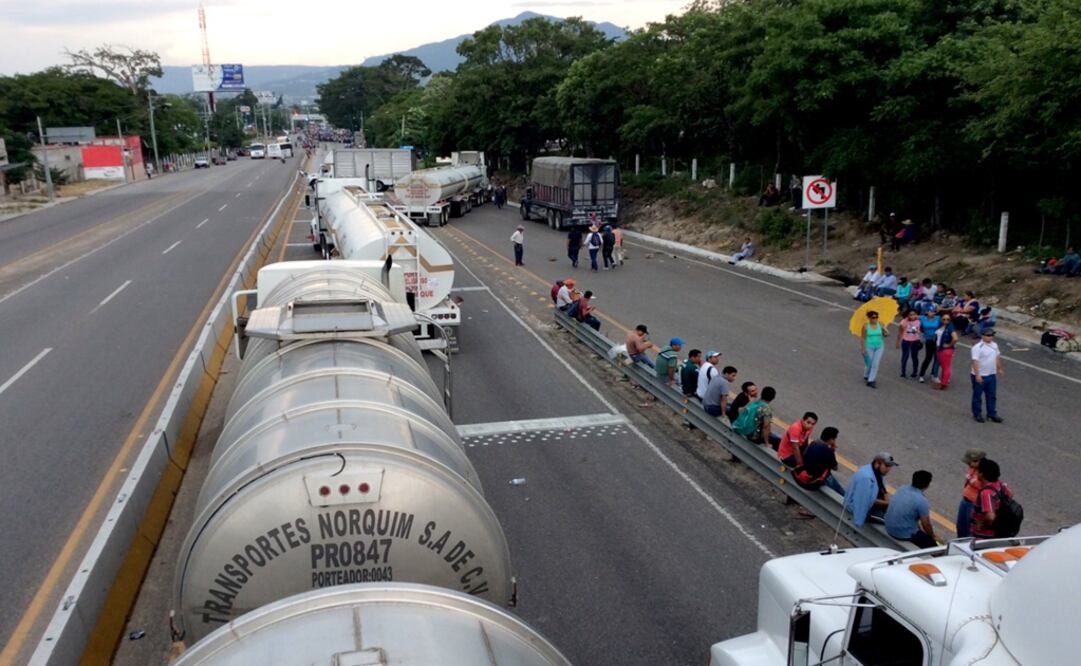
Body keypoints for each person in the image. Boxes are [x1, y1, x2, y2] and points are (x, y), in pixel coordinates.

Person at [885, 470, 938, 548]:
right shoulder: (921, 500)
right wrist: (932, 536)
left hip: (888, 527)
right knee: (933, 546)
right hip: (902, 534)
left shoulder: (902, 488)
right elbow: (926, 524)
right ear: (927, 485)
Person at [843, 452, 898, 527]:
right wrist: (859, 521)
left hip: (873, 505)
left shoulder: (879, 474)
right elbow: (864, 502)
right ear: (878, 463)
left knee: (897, 514)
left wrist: (888, 504)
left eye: (890, 466)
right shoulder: (866, 478)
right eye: (886, 465)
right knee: (893, 523)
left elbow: (883, 491)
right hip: (859, 508)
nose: (888, 469)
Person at [794, 427, 845, 495]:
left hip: (801, 477)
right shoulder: (828, 451)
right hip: (812, 483)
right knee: (831, 479)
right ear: (831, 439)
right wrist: (832, 449)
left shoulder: (813, 443)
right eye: (835, 439)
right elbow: (835, 468)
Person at [971, 458, 1013, 538]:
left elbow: (990, 517)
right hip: (998, 532)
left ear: (981, 474)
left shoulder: (986, 493)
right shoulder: (1000, 485)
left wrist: (982, 524)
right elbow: (1010, 494)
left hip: (984, 536)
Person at [970, 328, 1004, 423]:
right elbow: (975, 362)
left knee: (992, 395)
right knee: (977, 396)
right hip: (981, 375)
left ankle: (991, 414)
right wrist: (977, 375)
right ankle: (977, 414)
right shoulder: (977, 347)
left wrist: (999, 368)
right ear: (983, 336)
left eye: (992, 335)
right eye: (988, 335)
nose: (990, 337)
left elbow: (997, 357)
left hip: (991, 374)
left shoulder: (994, 345)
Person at [956, 449, 985, 538]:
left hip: (974, 504)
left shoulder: (984, 473)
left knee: (969, 530)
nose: (968, 465)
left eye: (970, 463)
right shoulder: (972, 468)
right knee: (961, 527)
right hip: (966, 500)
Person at [860, 310, 888, 388]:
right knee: (869, 363)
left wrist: (886, 333)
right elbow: (862, 337)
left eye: (876, 317)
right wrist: (863, 348)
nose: (875, 319)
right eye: (873, 317)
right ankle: (866, 374)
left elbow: (884, 334)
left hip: (879, 346)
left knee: (875, 363)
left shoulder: (881, 324)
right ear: (869, 318)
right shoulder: (865, 326)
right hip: (869, 346)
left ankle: (871, 380)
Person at [932, 313, 958, 390]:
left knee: (946, 367)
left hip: (945, 350)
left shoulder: (950, 327)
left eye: (948, 319)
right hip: (940, 348)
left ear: (950, 320)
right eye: (944, 319)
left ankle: (944, 384)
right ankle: (943, 381)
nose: (945, 321)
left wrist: (949, 345)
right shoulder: (941, 326)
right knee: (944, 366)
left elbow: (955, 338)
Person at [896, 309, 923, 378]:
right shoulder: (904, 322)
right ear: (907, 315)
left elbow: (919, 330)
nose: (913, 316)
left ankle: (915, 372)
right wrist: (898, 342)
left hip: (915, 341)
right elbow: (900, 332)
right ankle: (903, 371)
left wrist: (918, 332)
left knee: (914, 357)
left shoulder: (918, 322)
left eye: (914, 314)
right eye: (911, 315)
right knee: (905, 356)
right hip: (906, 341)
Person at [917, 303, 940, 383]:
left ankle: (934, 374)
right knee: (928, 358)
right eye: (930, 311)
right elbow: (910, 317)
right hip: (928, 340)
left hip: (937, 340)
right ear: (926, 311)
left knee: (937, 358)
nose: (932, 313)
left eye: (933, 311)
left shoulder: (938, 318)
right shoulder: (921, 318)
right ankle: (921, 375)